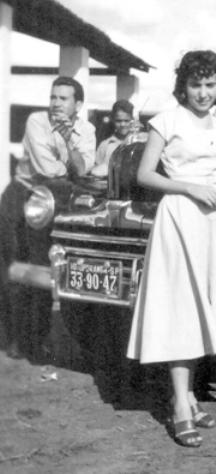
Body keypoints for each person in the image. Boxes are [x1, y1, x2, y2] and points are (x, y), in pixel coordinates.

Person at [126, 50, 216, 448]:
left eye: (209, 85)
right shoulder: (166, 121)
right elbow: (145, 174)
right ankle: (181, 409)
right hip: (180, 218)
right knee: (182, 308)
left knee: (207, 306)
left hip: (215, 221)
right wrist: (189, 187)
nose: (202, 93)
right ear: (182, 87)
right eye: (195, 84)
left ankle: (185, 395)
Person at [0, 76, 96, 359]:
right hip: (24, 196)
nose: (55, 103)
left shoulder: (86, 129)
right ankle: (14, 338)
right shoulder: (36, 121)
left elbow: (83, 169)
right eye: (53, 97)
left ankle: (38, 339)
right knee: (15, 269)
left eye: (63, 98)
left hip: (58, 201)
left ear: (78, 104)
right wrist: (73, 164)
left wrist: (68, 140)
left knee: (47, 269)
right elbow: (47, 170)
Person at [90, 99, 134, 177]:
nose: (122, 124)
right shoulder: (105, 145)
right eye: (119, 121)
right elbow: (96, 169)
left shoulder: (138, 143)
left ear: (132, 120)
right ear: (113, 120)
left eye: (126, 121)